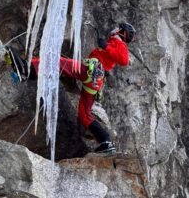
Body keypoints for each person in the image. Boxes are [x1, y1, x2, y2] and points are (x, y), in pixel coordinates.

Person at [7, 22, 135, 155]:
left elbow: (124, 60)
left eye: (118, 28)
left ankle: (27, 69)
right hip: (95, 79)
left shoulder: (118, 43)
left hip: (90, 71)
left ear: (122, 32)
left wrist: (107, 46)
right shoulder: (114, 43)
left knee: (56, 61)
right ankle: (105, 141)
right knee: (84, 114)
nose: (114, 29)